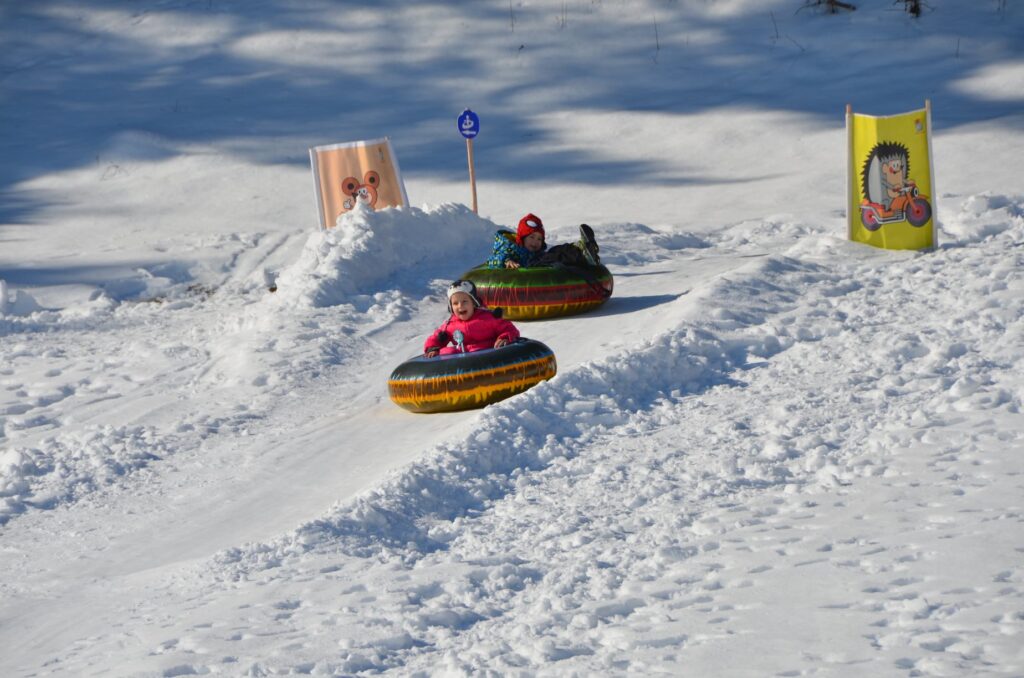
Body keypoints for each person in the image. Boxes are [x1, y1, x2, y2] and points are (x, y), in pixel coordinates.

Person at [424, 280, 520, 357]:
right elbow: (436, 337)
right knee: (448, 352)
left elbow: (508, 328)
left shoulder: (487, 318)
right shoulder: (449, 325)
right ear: (451, 307)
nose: (460, 306)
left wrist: (504, 338)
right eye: (455, 303)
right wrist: (433, 349)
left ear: (473, 303)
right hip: (463, 359)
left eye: (465, 301)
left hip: (488, 353)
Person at [486, 213, 601, 270]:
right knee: (551, 257)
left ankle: (582, 250)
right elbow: (491, 260)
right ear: (522, 238)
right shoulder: (509, 249)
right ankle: (582, 254)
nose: (535, 242)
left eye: (539, 239)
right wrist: (506, 261)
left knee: (556, 251)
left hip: (538, 263)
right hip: (527, 271)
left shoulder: (537, 252)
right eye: (531, 237)